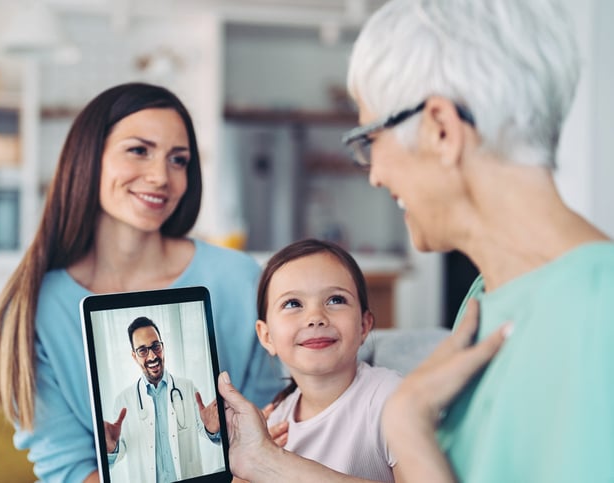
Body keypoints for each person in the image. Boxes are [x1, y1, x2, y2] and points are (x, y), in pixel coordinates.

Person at [219, 0, 614, 482]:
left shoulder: (598, 312)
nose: (376, 176)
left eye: (371, 141)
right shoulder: (490, 295)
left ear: (442, 130)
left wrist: (406, 423)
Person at [0, 82, 283, 483]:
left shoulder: (240, 278)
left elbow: (278, 418)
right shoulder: (36, 307)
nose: (161, 176)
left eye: (178, 160)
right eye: (138, 150)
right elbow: (66, 467)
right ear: (89, 158)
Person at [256, 239, 401, 481]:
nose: (315, 318)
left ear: (364, 325)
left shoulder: (390, 399)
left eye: (336, 300)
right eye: (293, 303)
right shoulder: (277, 423)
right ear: (267, 336)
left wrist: (275, 464)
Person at [104, 316, 220, 482]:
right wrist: (112, 448)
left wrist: (211, 429)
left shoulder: (187, 388)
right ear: (134, 356)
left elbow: (205, 429)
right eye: (143, 350)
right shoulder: (123, 401)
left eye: (156, 347)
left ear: (163, 347)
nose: (152, 356)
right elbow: (120, 450)